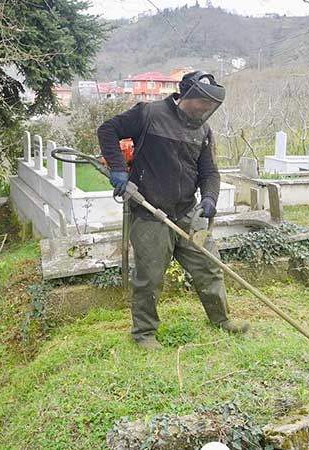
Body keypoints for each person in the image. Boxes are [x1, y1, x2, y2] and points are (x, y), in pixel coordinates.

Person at [97, 71, 250, 351]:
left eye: (209, 106)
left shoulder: (203, 131)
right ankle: (144, 333)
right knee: (150, 278)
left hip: (187, 212)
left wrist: (210, 198)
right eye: (200, 103)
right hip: (149, 213)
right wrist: (119, 169)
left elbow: (209, 172)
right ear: (186, 96)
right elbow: (107, 130)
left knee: (209, 266)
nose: (204, 109)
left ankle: (221, 318)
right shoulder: (149, 114)